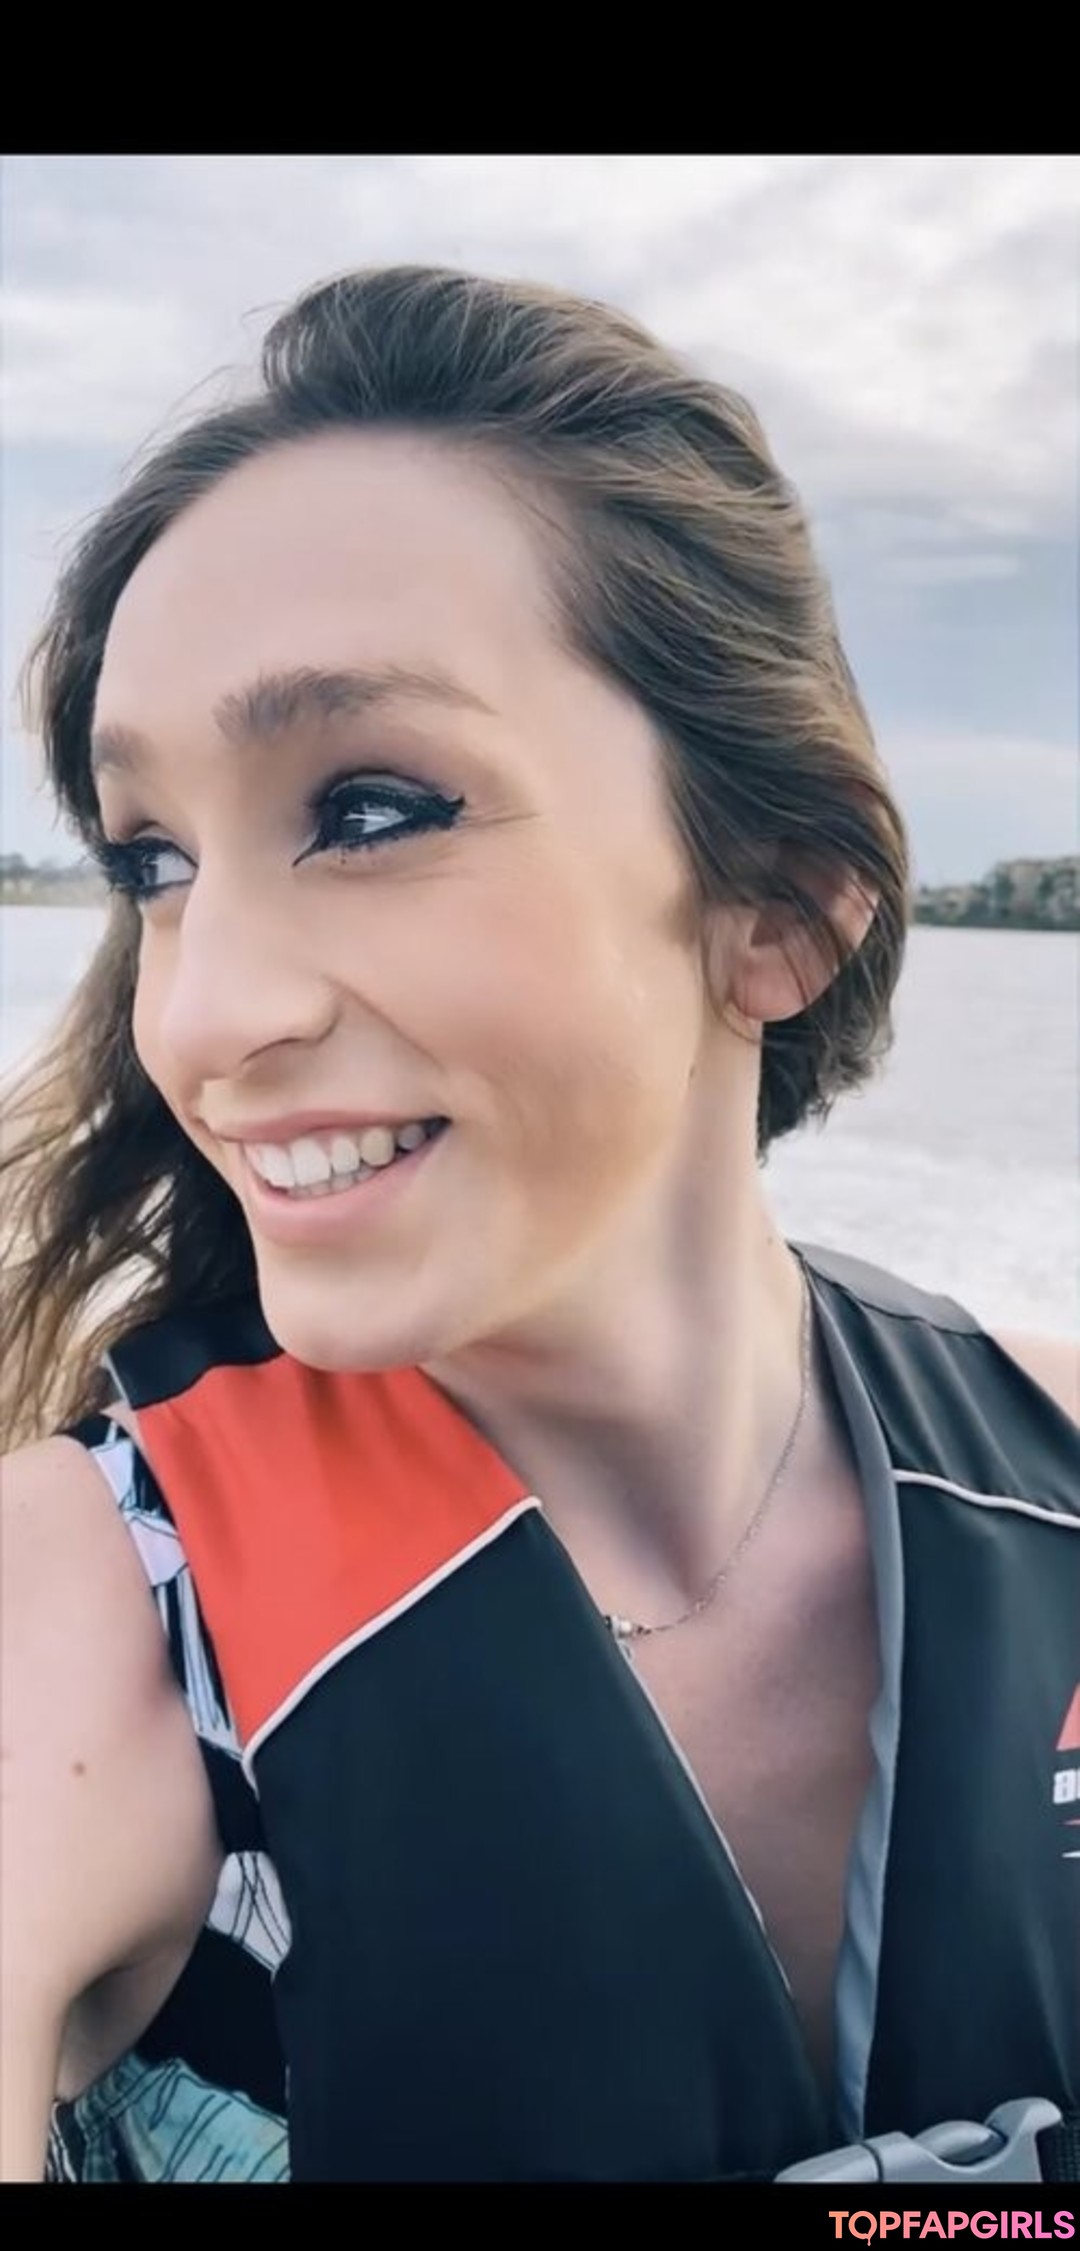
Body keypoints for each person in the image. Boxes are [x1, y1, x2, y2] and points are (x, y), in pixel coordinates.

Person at [1, 265, 1076, 2188]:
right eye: (153, 859)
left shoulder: (1055, 1472)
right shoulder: (73, 1625)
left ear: (780, 906)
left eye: (370, 808)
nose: (206, 1015)